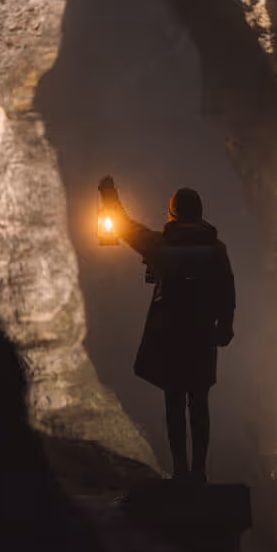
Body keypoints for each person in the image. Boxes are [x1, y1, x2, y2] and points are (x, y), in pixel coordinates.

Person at [98, 177, 235, 484]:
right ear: (199, 213)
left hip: (170, 333)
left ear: (172, 213)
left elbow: (123, 227)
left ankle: (180, 471)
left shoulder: (159, 244)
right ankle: (199, 472)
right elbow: (227, 291)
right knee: (199, 402)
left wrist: (109, 196)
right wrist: (225, 326)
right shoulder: (216, 249)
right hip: (202, 333)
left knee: (174, 401)